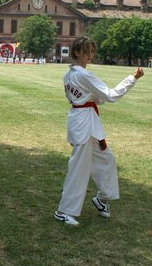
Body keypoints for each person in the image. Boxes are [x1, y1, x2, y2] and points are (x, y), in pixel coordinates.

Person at [54, 36, 144, 226]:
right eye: (87, 51)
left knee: (107, 159)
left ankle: (102, 198)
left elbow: (96, 98)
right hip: (83, 123)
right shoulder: (81, 75)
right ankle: (64, 210)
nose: (90, 55)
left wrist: (96, 98)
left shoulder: (70, 74)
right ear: (77, 52)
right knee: (79, 167)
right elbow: (109, 96)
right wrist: (132, 78)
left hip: (86, 121)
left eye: (93, 51)